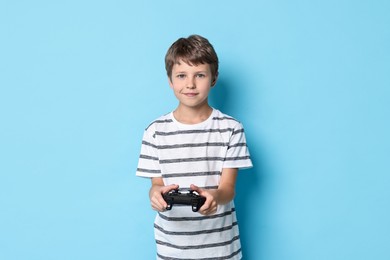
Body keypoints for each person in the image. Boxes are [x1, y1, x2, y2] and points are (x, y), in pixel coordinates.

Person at [136, 34, 253, 260]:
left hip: (221, 248)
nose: (190, 84)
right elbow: (156, 185)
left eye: (199, 75)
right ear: (170, 80)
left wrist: (214, 198)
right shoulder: (155, 131)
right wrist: (155, 195)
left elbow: (228, 188)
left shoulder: (231, 129)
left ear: (213, 78)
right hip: (171, 248)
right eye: (181, 76)